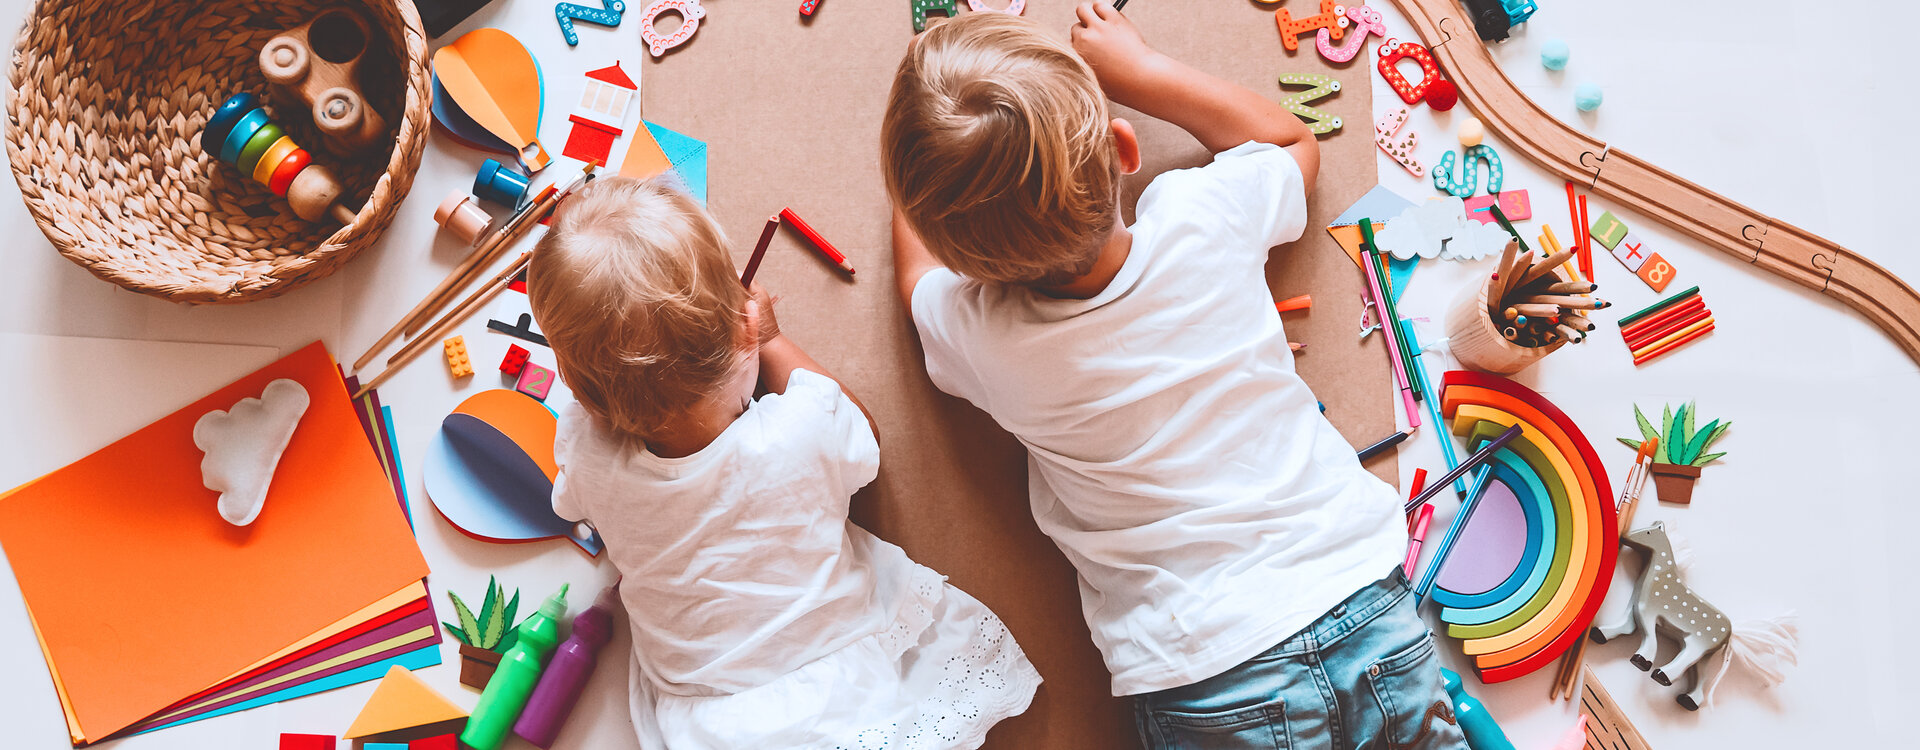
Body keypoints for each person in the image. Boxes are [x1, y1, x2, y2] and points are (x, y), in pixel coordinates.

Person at [883, 6, 1466, 748]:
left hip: (1203, 673)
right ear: (1125, 146)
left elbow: (916, 279)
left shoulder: (981, 335)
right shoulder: (1205, 214)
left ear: (962, 259)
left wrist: (926, 119)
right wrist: (1141, 72)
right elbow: (1290, 140)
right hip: (1361, 599)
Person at [529, 176, 1040, 749]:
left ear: (575, 385)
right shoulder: (799, 429)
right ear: (745, 324)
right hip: (843, 687)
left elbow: (571, 501)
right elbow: (864, 438)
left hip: (711, 719)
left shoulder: (586, 451)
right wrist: (770, 340)